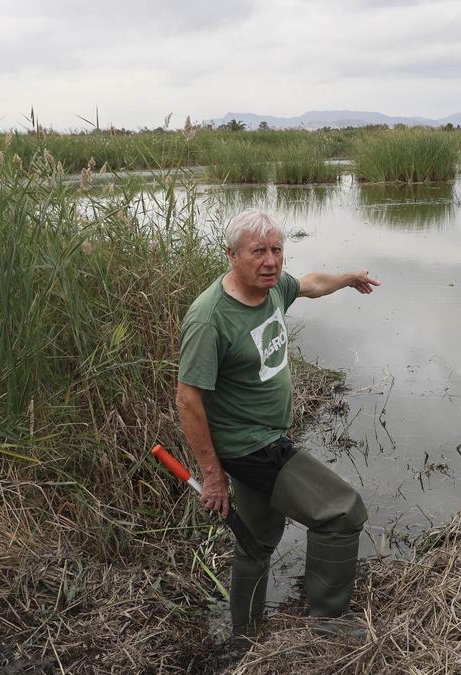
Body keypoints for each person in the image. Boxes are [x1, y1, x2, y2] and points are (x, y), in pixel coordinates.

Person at [175, 208, 379, 636]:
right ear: (232, 255)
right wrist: (212, 476)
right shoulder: (210, 318)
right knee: (341, 511)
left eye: (277, 250)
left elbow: (309, 284)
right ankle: (328, 627)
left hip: (267, 436)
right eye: (258, 252)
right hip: (251, 447)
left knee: (257, 541)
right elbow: (188, 400)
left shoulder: (272, 288)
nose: (270, 261)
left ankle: (245, 633)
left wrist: (347, 278)